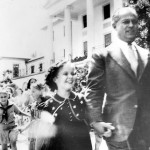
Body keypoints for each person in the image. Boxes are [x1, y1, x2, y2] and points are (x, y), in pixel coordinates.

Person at [85, 6, 150, 150]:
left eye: (134, 21)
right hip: (117, 129)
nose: (131, 25)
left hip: (145, 130)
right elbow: (94, 91)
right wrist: (96, 122)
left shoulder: (146, 55)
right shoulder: (102, 55)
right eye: (126, 22)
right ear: (114, 25)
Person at [44, 60, 92, 150]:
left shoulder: (82, 100)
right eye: (65, 74)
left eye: (73, 73)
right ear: (55, 79)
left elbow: (93, 122)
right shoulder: (48, 106)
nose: (70, 76)